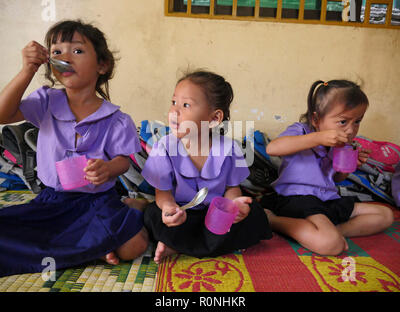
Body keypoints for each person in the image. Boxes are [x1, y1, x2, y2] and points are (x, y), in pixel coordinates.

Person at [0, 20, 148, 277]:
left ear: (102, 65)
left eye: (77, 51)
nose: (65, 57)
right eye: (56, 52)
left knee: (133, 245)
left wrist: (108, 168)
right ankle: (93, 248)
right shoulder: (46, 101)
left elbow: (123, 161)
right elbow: (3, 114)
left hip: (97, 202)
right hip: (52, 203)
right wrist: (27, 71)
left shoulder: (116, 119)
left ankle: (125, 212)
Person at [140, 70, 272, 263]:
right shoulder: (165, 147)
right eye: (173, 102)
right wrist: (169, 208)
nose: (174, 112)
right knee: (152, 214)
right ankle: (190, 244)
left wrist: (233, 206)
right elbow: (163, 193)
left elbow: (231, 189)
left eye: (186, 105)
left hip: (216, 217)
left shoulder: (229, 148)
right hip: (183, 215)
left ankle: (177, 246)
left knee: (255, 215)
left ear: (213, 118)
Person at [263, 80, 394, 256]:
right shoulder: (301, 131)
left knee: (385, 215)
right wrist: (318, 138)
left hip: (328, 199)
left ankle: (336, 231)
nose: (350, 130)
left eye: (357, 121)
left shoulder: (342, 145)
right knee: (331, 245)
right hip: (297, 198)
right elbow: (273, 148)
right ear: (316, 119)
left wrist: (349, 167)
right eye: (343, 121)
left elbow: (336, 179)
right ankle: (273, 220)